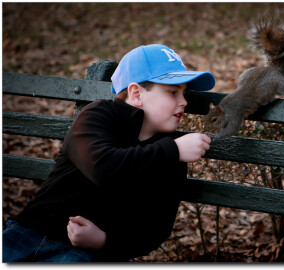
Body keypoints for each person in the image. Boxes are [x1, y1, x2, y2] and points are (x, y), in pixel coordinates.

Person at [3, 44, 215, 262]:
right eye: (173, 92)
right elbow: (101, 167)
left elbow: (155, 230)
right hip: (30, 232)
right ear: (136, 94)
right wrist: (174, 149)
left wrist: (104, 240)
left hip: (86, 253)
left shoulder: (172, 155)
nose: (184, 102)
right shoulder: (100, 115)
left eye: (184, 92)